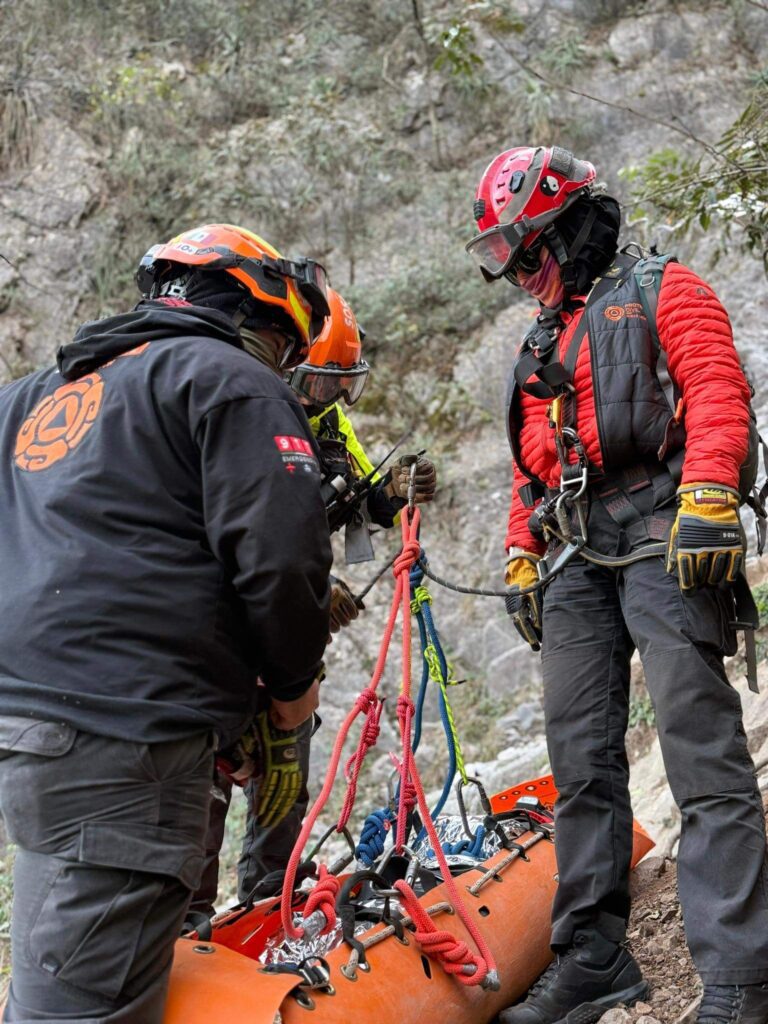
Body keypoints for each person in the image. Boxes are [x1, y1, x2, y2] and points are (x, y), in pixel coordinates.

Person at [0, 222, 333, 1023]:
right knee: (83, 1006)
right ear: (265, 315)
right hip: (131, 736)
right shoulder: (231, 380)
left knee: (59, 962)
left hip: (32, 725)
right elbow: (283, 558)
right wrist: (290, 689)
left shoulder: (35, 392)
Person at [466, 146, 768, 1024]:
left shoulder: (663, 289)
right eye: (508, 259)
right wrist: (522, 551)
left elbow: (717, 388)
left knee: (700, 753)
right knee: (580, 764)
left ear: (569, 227)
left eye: (528, 251)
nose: (520, 273)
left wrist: (711, 491)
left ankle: (742, 977)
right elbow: (529, 469)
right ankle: (596, 958)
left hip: (664, 529)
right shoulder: (536, 341)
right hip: (574, 556)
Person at [187, 286, 438, 920]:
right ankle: (184, 925)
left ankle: (268, 905)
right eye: (323, 384)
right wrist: (311, 591)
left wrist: (398, 489)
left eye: (340, 386)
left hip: (285, 637)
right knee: (204, 779)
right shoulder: (234, 413)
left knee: (285, 768)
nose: (329, 401)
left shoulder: (321, 420)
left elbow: (364, 488)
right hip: (212, 640)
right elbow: (212, 533)